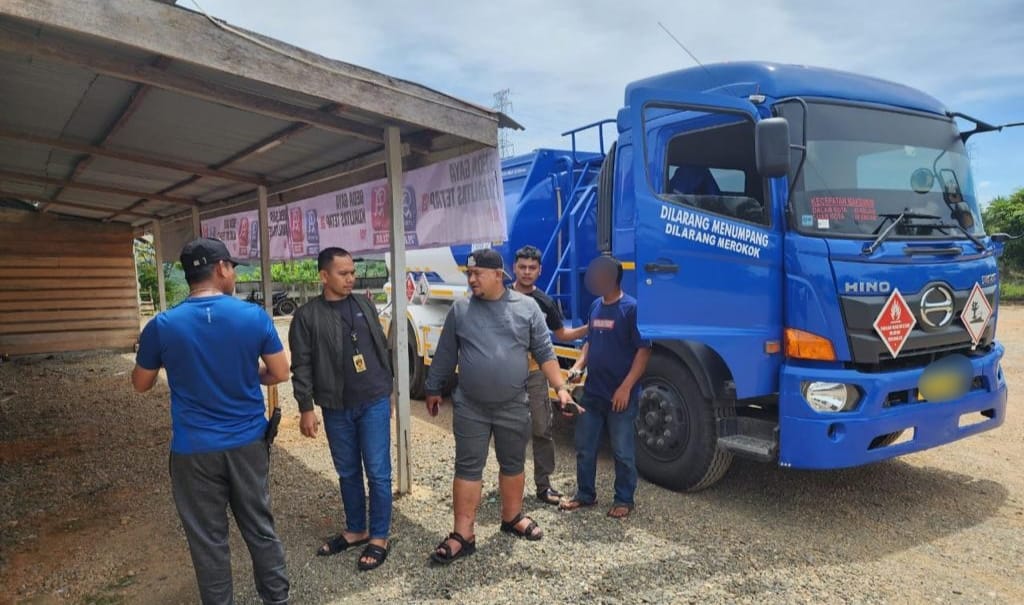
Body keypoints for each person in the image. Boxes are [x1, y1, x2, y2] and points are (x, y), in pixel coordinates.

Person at [131, 237, 291, 605]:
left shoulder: (162, 324)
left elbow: (141, 384)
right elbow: (280, 372)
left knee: (208, 540)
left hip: (193, 450)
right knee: (260, 529)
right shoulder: (253, 317)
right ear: (221, 268)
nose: (233, 273)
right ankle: (277, 599)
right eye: (232, 266)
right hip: (248, 443)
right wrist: (252, 375)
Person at [424, 249, 575, 565]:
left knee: (513, 463)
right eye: (469, 274)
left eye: (477, 273)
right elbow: (446, 353)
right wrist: (432, 388)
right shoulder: (461, 309)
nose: (471, 279)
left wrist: (560, 388)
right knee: (467, 466)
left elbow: (545, 354)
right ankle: (462, 534)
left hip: (512, 405)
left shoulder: (527, 308)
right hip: (470, 407)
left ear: (498, 275)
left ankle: (512, 517)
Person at [288, 247, 394, 572]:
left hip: (373, 400)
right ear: (324, 276)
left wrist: (388, 390)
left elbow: (381, 346)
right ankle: (356, 529)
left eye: (352, 272)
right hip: (336, 406)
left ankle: (379, 536)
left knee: (378, 472)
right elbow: (301, 366)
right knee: (347, 471)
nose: (351, 278)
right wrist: (306, 407)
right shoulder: (307, 317)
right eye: (343, 273)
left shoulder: (364, 303)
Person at [561, 255, 652, 519]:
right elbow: (589, 342)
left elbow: (643, 352)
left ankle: (624, 499)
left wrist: (625, 388)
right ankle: (585, 495)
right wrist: (579, 367)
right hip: (593, 392)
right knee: (585, 448)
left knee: (622, 451)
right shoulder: (595, 306)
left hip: (620, 396)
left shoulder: (631, 309)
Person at [510, 245, 588, 505]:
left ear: (540, 270)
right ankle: (509, 486)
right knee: (510, 432)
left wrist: (591, 326)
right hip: (506, 376)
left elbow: (561, 334)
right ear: (514, 268)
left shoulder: (545, 301)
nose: (527, 272)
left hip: (535, 374)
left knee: (542, 429)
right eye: (522, 267)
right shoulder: (500, 297)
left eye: (532, 268)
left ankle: (544, 486)